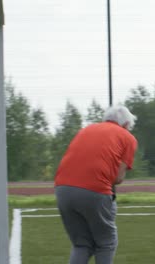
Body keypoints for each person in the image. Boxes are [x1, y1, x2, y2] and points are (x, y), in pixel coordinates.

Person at [54, 105, 137, 264]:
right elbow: (118, 178)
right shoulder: (128, 138)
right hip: (94, 190)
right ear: (126, 125)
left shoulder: (86, 129)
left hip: (62, 189)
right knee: (106, 242)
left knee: (81, 245)